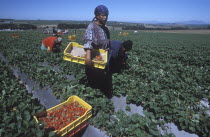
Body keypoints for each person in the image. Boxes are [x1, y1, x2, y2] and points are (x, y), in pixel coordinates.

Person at [83, 5, 112, 98]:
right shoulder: (92, 26)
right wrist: (88, 57)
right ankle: (92, 95)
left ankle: (100, 93)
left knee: (101, 75)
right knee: (92, 75)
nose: (105, 17)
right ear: (97, 16)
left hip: (102, 56)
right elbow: (88, 41)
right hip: (93, 56)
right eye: (103, 15)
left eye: (106, 15)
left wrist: (107, 48)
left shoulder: (105, 28)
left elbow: (107, 40)